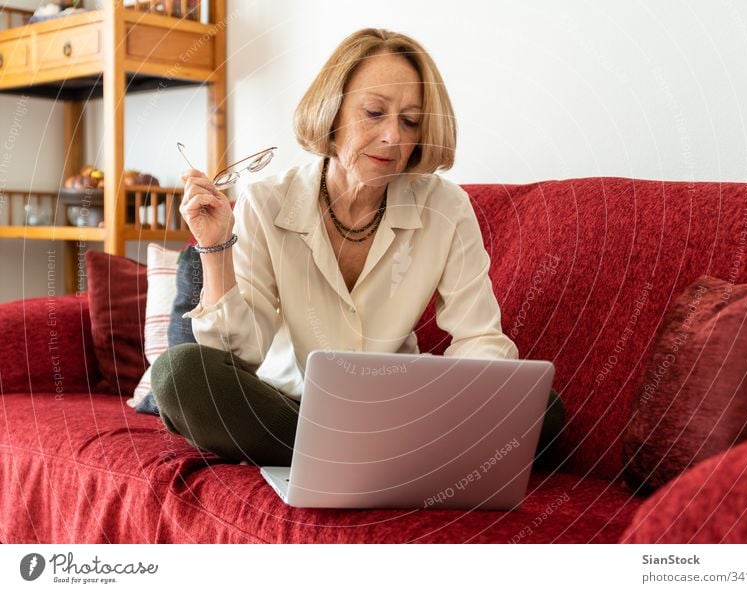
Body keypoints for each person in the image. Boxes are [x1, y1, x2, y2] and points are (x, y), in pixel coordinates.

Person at [151, 28, 563, 468]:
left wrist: (470, 399)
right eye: (373, 112)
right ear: (331, 112)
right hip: (289, 410)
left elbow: (479, 337)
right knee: (181, 376)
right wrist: (215, 248)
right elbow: (238, 353)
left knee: (542, 409)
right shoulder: (265, 202)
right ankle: (383, 465)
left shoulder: (445, 206)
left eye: (409, 120)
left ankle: (348, 462)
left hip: (398, 415)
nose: (392, 137)